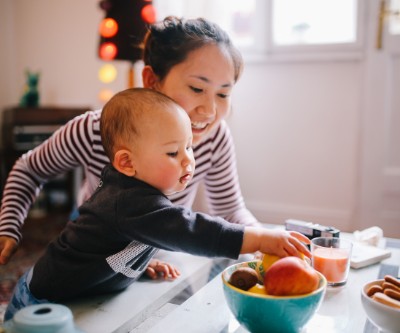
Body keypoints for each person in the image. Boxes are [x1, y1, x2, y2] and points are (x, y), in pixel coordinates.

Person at [4, 88, 311, 321]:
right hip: (41, 304)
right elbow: (192, 230)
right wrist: (259, 238)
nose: (188, 160)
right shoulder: (128, 201)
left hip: (83, 293)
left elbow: (114, 240)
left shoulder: (138, 193)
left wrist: (138, 262)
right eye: (172, 153)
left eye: (188, 147)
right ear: (127, 162)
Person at [0, 15, 257, 265]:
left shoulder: (215, 138)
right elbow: (28, 170)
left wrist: (266, 241)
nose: (210, 111)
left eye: (223, 94)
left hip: (160, 258)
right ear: (152, 80)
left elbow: (231, 210)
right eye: (197, 89)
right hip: (94, 254)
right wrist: (8, 227)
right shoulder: (93, 130)